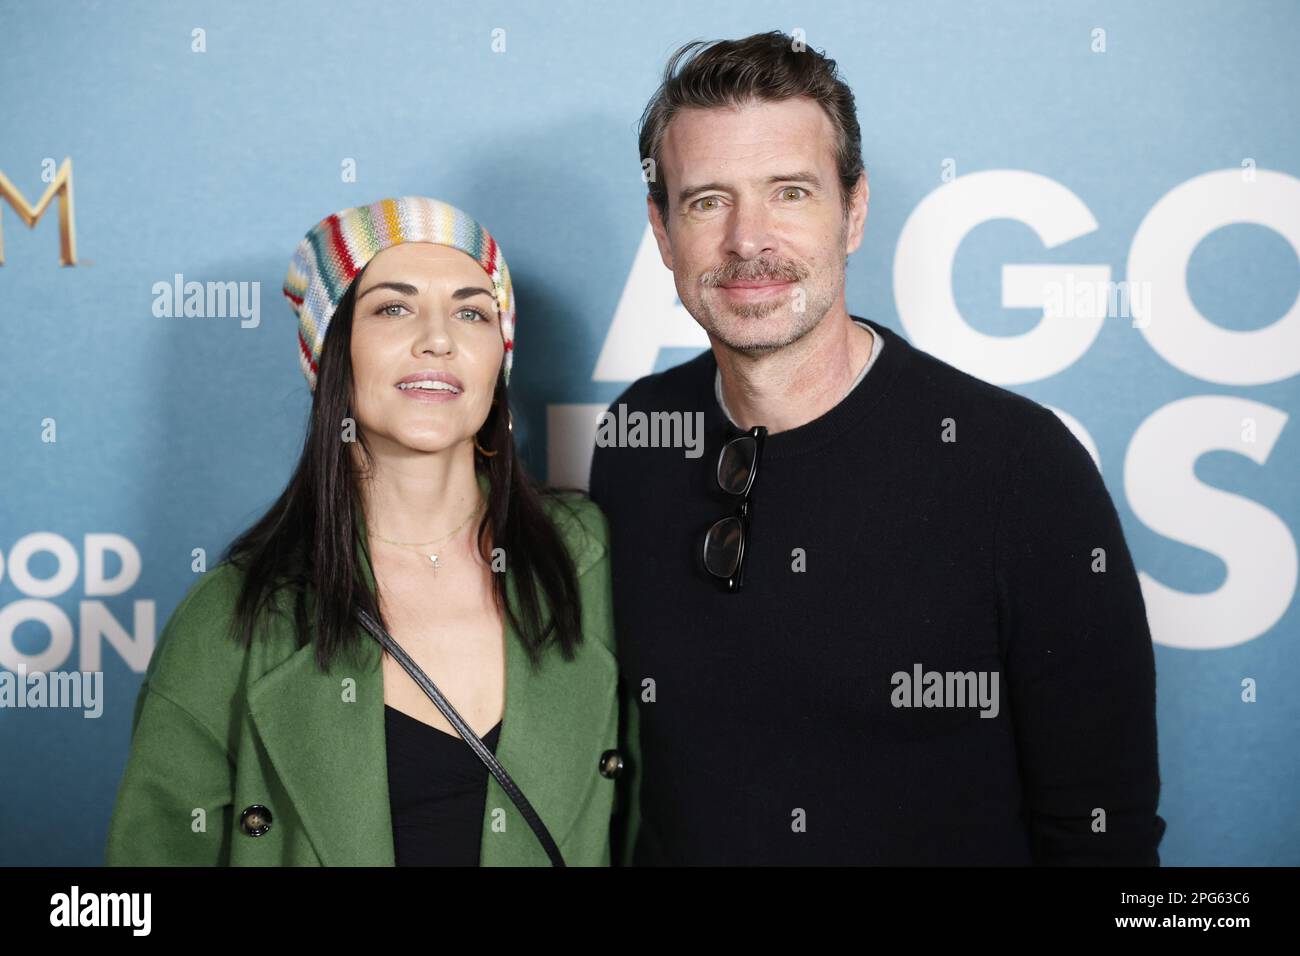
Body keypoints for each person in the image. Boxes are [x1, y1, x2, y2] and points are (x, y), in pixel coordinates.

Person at [590, 33, 1167, 865]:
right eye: (707, 200)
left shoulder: (1019, 468)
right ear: (661, 228)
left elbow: (1102, 834)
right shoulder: (638, 436)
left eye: (789, 192)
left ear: (853, 211)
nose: (748, 240)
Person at [107, 196, 622, 866]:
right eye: (394, 307)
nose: (439, 338)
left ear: (500, 356)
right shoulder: (231, 621)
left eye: (472, 310)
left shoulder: (588, 559)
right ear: (333, 352)